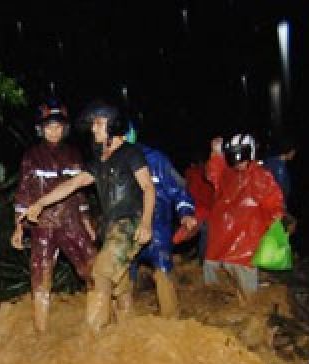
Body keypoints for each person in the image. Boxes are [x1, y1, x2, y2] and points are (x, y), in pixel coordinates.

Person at [24, 102, 155, 332]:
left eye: (99, 123)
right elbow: (73, 184)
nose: (93, 128)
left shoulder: (131, 153)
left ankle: (93, 335)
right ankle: (129, 329)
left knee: (101, 271)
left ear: (113, 126)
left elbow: (148, 188)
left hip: (129, 224)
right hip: (111, 226)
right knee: (119, 281)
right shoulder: (100, 160)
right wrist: (41, 203)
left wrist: (145, 223)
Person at [11, 99, 98, 332]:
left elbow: (81, 194)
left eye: (58, 126)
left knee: (94, 269)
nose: (54, 131)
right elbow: (23, 193)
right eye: (49, 126)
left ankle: (98, 324)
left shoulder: (73, 154)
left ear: (65, 128)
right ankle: (41, 331)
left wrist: (88, 223)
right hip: (42, 226)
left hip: (72, 223)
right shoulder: (32, 156)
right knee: (41, 277)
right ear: (40, 128)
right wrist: (18, 227)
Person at [202, 133, 286, 295]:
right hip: (217, 249)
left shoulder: (262, 177)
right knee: (213, 296)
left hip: (243, 252)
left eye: (241, 156)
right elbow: (213, 172)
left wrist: (272, 235)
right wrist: (215, 153)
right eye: (234, 156)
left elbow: (275, 208)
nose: (238, 161)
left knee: (247, 298)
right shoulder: (227, 174)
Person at [126, 126, 197, 318]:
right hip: (125, 228)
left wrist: (185, 213)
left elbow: (178, 189)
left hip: (158, 226)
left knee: (162, 267)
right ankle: (123, 324)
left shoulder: (156, 159)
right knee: (124, 273)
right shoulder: (110, 160)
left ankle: (170, 321)